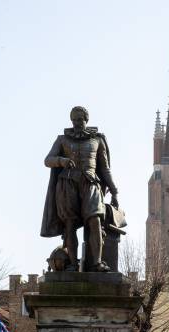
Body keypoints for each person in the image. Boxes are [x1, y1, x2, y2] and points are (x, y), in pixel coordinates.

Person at [40, 106, 119, 272]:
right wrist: (62, 161)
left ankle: (97, 263)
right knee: (70, 224)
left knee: (95, 221)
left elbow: (104, 168)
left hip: (91, 184)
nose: (77, 123)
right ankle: (73, 264)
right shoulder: (62, 140)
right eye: (74, 120)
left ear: (86, 120)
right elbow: (48, 160)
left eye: (80, 119)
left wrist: (114, 190)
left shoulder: (97, 140)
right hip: (67, 184)